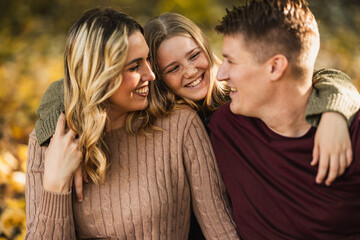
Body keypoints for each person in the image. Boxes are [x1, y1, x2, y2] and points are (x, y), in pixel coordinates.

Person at [25, 8, 239, 239]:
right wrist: (55, 184)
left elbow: (221, 230)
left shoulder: (184, 123)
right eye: (135, 66)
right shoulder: (52, 142)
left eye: (148, 60)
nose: (151, 75)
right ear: (100, 76)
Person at [144, 12, 359, 186]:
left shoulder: (241, 92)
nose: (191, 71)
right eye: (174, 68)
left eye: (194, 55)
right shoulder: (167, 125)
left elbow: (311, 79)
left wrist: (335, 114)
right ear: (158, 78)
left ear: (205, 49)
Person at [208, 0, 360, 239]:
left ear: (275, 67)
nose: (221, 74)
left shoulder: (353, 133)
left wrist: (336, 112)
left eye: (231, 61)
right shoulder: (225, 129)